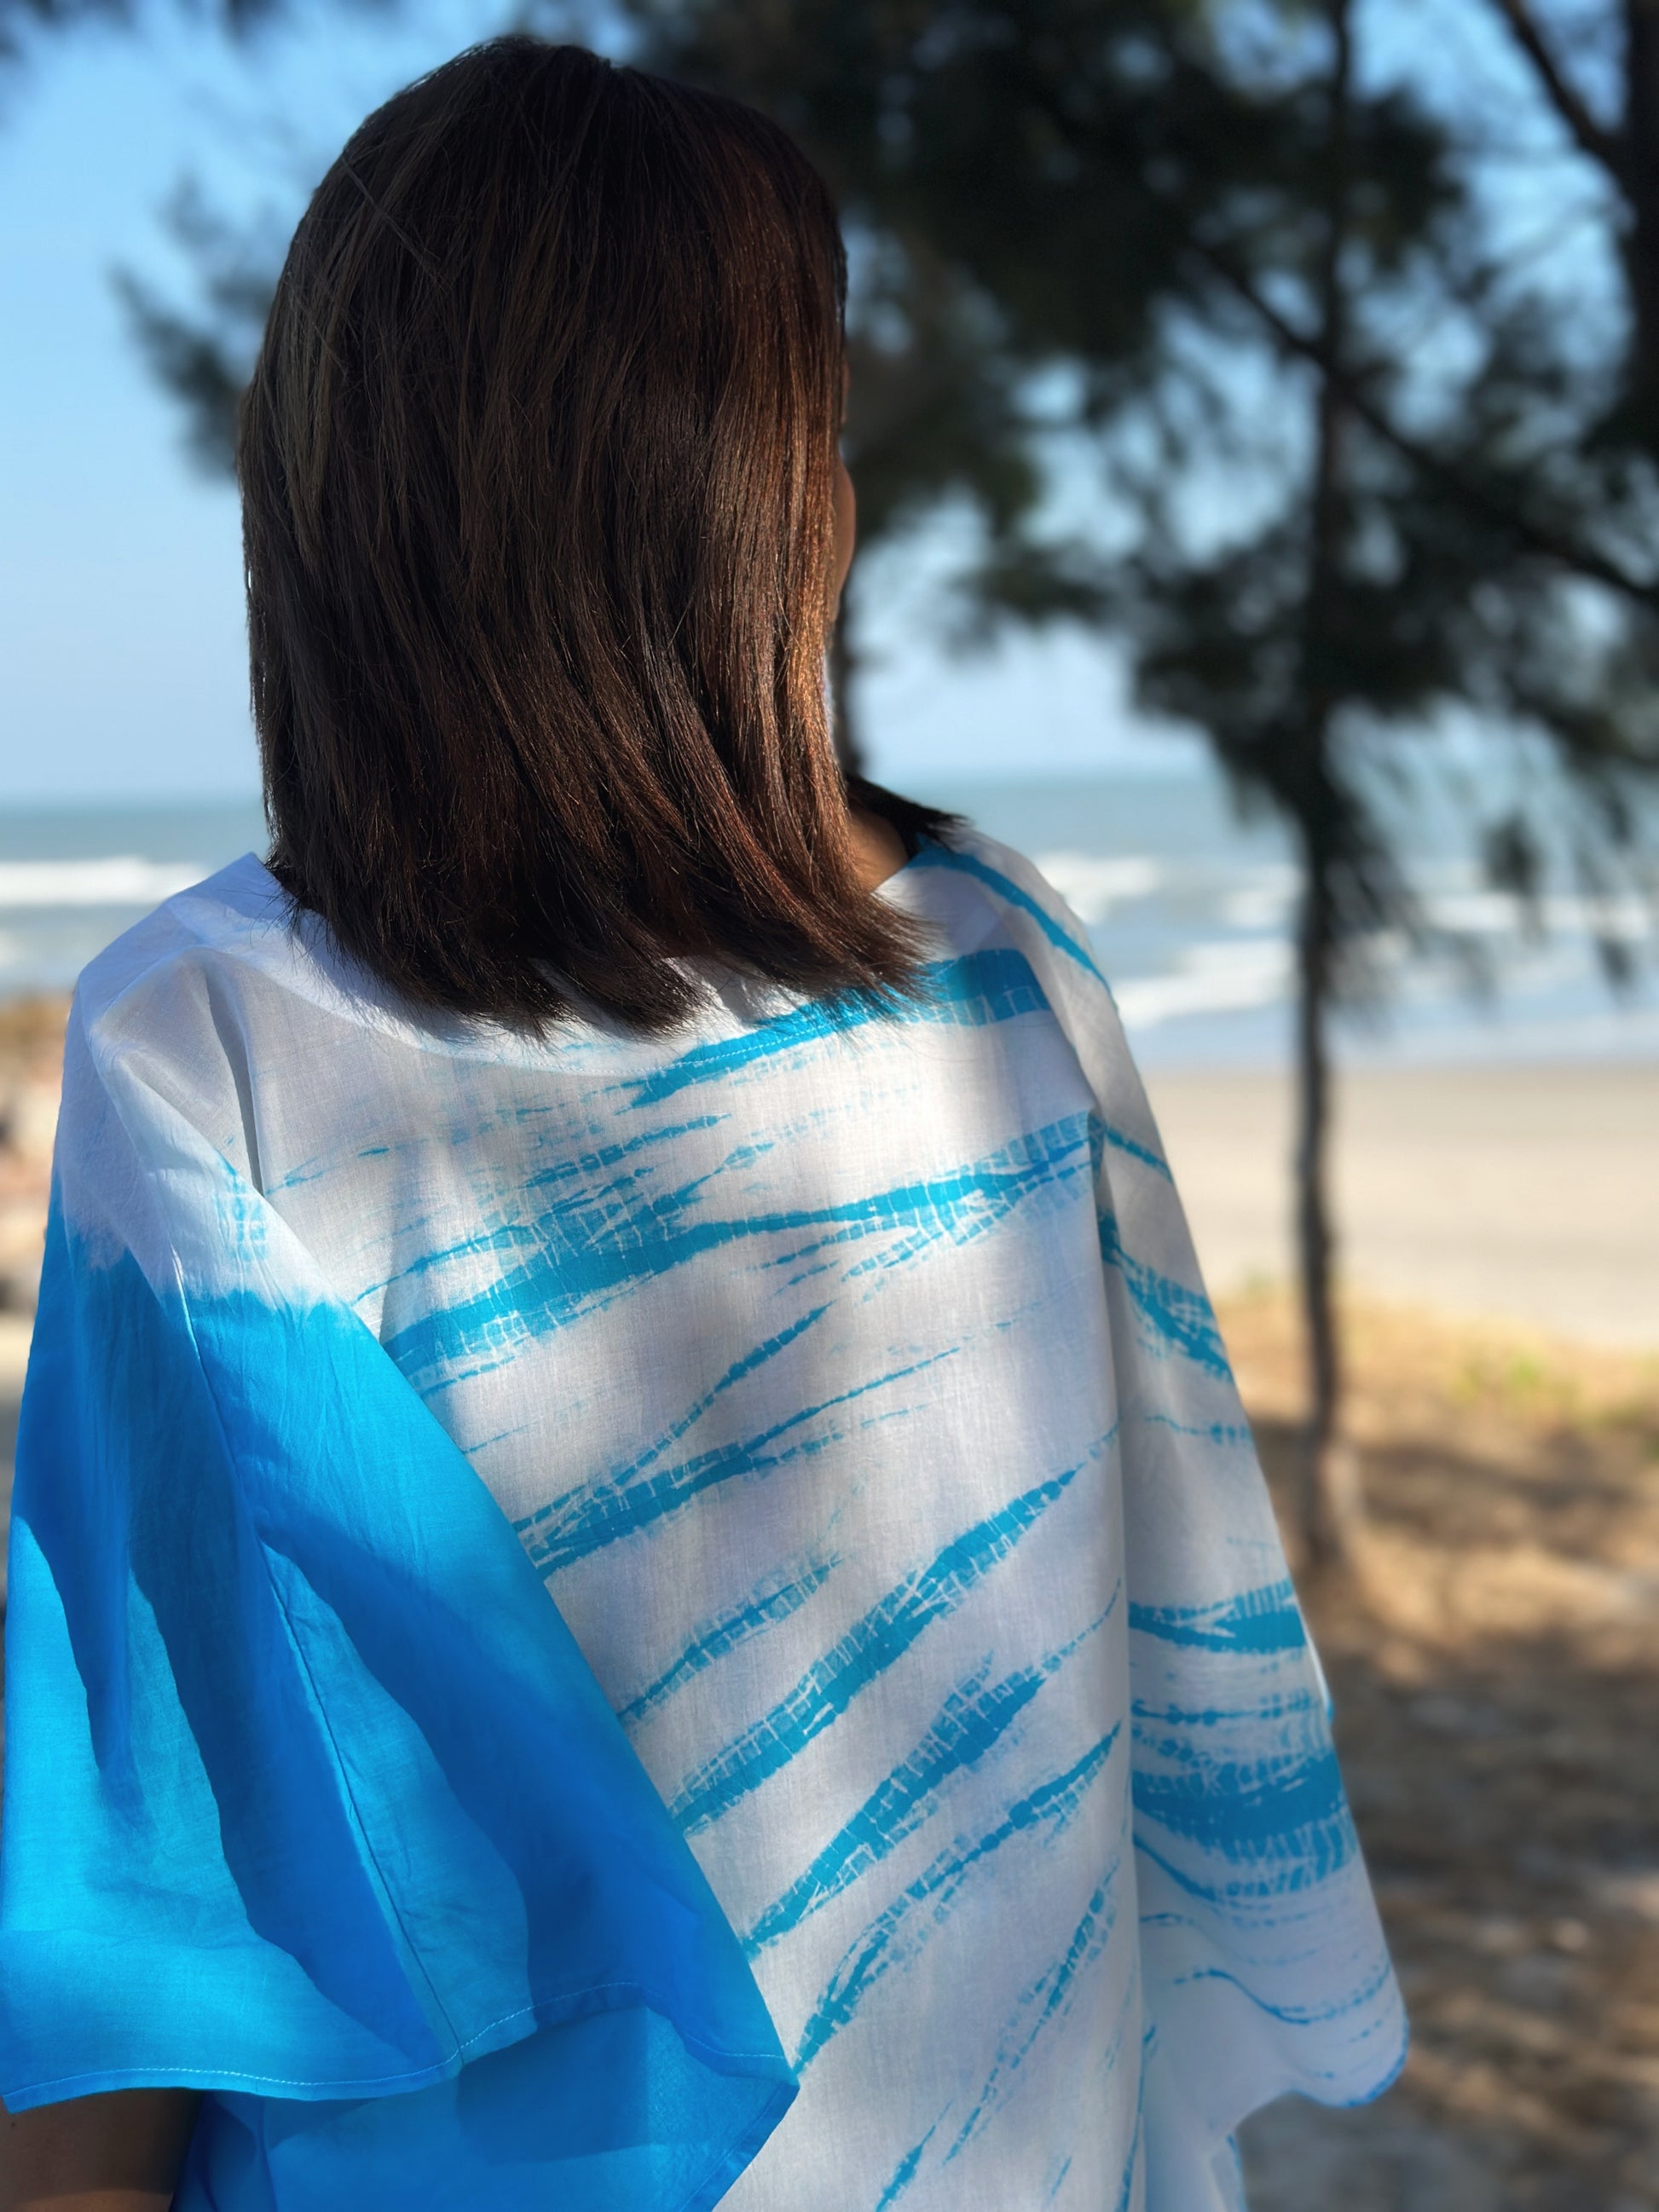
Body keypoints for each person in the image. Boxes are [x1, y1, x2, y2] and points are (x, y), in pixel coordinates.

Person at [0, 38, 1405, 2212]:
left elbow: (133, 1928)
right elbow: (1126, 1715)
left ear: (334, 495)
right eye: (817, 435)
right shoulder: (1001, 966)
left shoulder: (217, 1038)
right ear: (741, 494)